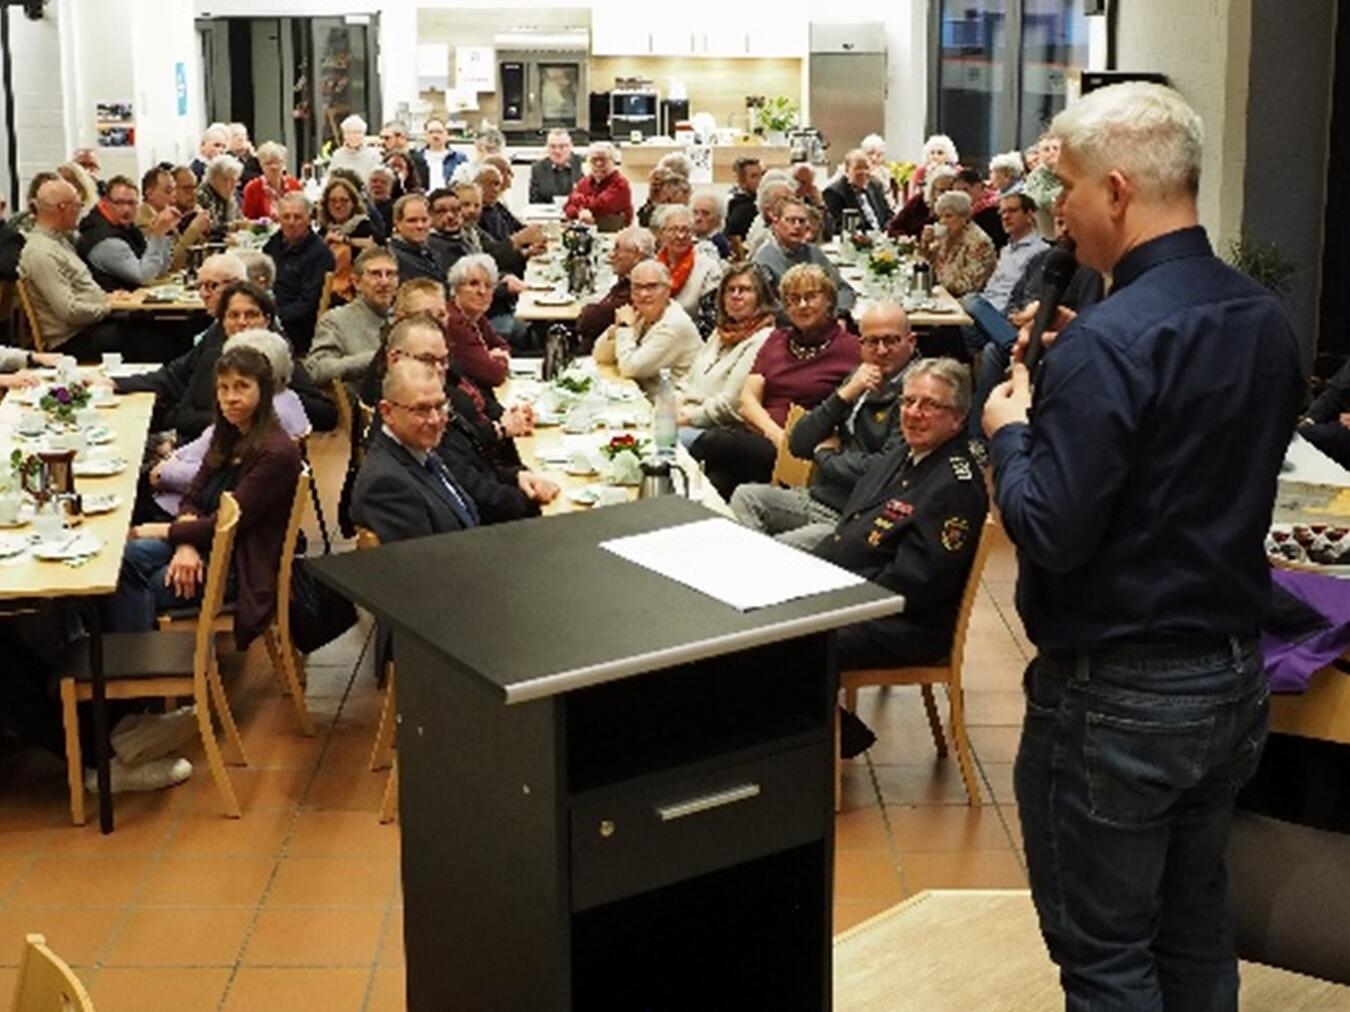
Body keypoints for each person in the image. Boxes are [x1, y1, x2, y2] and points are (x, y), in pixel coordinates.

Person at [981, 82, 1305, 1010]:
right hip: (1230, 678)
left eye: (1069, 189)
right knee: (1195, 927)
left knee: (1107, 955)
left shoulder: (1108, 346)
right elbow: (1194, 461)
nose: (1061, 216)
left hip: (1119, 696)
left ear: (1117, 190)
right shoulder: (1263, 320)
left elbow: (1048, 528)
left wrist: (1013, 427)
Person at [818, 357, 988, 756]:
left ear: (958, 419)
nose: (913, 413)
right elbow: (854, 525)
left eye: (930, 405)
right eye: (908, 401)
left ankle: (830, 744)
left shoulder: (955, 485)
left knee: (790, 644)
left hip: (902, 626)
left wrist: (835, 601)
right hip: (861, 597)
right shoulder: (905, 453)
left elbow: (916, 583)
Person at [110, 343, 303, 652]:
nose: (230, 397)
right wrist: (186, 545)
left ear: (264, 392)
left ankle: (145, 679)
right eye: (223, 388)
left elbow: (228, 525)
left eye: (242, 387)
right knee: (120, 561)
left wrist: (159, 531)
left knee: (134, 581)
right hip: (208, 543)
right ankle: (130, 668)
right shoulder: (227, 434)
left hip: (240, 566)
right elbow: (192, 495)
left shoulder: (276, 453)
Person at [731, 300, 915, 549]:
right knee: (745, 496)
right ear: (861, 345)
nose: (881, 350)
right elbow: (797, 443)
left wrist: (824, 455)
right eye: (872, 342)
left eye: (891, 341)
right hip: (820, 497)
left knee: (775, 549)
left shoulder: (915, 398)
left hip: (855, 517)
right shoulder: (860, 379)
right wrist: (843, 395)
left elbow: (880, 471)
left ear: (911, 342)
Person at [691, 264, 860, 499]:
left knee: (715, 442)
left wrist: (795, 445)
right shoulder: (777, 340)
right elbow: (748, 401)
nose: (801, 305)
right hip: (765, 439)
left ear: (829, 300)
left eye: (810, 297)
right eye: (793, 299)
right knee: (717, 482)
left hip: (807, 453)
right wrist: (781, 439)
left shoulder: (851, 349)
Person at [113, 275, 336, 441]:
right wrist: (116, 383)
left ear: (267, 320)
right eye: (233, 315)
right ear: (222, 321)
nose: (241, 322)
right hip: (197, 444)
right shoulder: (215, 346)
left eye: (251, 315)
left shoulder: (277, 354)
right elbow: (177, 387)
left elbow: (327, 414)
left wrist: (265, 401)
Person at [144, 328, 312, 522]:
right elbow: (204, 462)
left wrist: (164, 472)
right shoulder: (283, 400)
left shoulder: (266, 423)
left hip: (193, 511)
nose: (231, 397)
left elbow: (222, 487)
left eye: (242, 383)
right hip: (189, 505)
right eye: (224, 386)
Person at [351, 358, 481, 542]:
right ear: (387, 412)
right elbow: (422, 565)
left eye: (440, 406)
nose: (435, 420)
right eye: (422, 409)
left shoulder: (418, 449)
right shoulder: (386, 485)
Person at [17, 179, 136, 359]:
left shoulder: (59, 241)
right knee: (159, 339)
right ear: (62, 208)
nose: (81, 211)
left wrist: (106, 298)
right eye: (78, 205)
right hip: (72, 341)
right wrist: (107, 306)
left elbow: (78, 291)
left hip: (89, 328)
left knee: (157, 324)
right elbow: (69, 312)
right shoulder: (41, 252)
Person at [960, 192, 1049, 433]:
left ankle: (975, 433)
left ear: (1029, 215)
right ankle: (1008, 344)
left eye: (1011, 211)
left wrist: (1013, 317)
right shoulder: (1006, 250)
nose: (1004, 216)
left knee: (970, 301)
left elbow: (1024, 297)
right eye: (1002, 212)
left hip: (1006, 318)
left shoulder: (1039, 252)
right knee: (955, 328)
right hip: (990, 320)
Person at [676, 265, 776, 448]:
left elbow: (731, 405)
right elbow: (688, 379)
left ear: (760, 297)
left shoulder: (763, 338)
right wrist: (672, 406)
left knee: (655, 442)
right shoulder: (722, 331)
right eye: (730, 290)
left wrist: (685, 418)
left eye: (744, 290)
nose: (736, 296)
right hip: (686, 415)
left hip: (717, 430)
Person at [593, 260, 702, 396]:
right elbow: (599, 355)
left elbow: (630, 368)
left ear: (668, 289)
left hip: (671, 407)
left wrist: (625, 327)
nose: (644, 294)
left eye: (652, 287)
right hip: (642, 395)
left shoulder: (674, 325)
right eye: (637, 287)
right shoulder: (641, 314)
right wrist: (616, 328)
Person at [305, 246, 398, 387]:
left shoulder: (405, 318)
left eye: (390, 274)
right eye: (375, 274)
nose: (385, 282)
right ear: (357, 283)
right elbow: (316, 370)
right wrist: (374, 359)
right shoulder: (336, 320)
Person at [752, 196, 856, 315]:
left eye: (801, 221)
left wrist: (837, 314)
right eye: (791, 220)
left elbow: (843, 289)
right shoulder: (763, 260)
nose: (797, 226)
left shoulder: (813, 252)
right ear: (776, 223)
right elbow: (769, 307)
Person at [260, 193, 335, 355]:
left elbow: (308, 305)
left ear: (309, 219)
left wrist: (272, 319)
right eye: (286, 217)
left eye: (297, 217)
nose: (291, 222)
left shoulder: (319, 253)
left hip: (295, 329)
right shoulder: (274, 243)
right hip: (268, 316)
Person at [75, 174, 178, 290]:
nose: (126, 209)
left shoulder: (127, 228)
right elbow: (144, 277)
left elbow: (159, 270)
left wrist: (165, 232)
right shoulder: (105, 240)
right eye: (119, 203)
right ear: (106, 203)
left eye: (131, 203)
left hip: (133, 301)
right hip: (117, 306)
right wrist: (157, 236)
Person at [576, 225, 654, 352]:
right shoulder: (626, 280)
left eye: (618, 250)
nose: (612, 255)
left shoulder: (642, 287)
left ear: (637, 256)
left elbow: (589, 319)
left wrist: (587, 311)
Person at [443, 253, 513, 392]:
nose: (482, 291)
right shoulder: (455, 322)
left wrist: (493, 357)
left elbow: (502, 345)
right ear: (456, 288)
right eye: (473, 284)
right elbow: (494, 375)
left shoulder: (475, 315)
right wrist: (496, 359)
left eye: (488, 286)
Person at [652, 203, 723, 333]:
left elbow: (711, 320)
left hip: (688, 336)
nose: (680, 236)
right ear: (661, 233)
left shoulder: (708, 268)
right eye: (673, 230)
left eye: (686, 230)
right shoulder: (652, 267)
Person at [918, 191, 996, 297]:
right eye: (940, 217)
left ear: (965, 217)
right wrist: (925, 243)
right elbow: (925, 262)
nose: (943, 221)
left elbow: (969, 285)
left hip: (964, 303)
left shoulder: (979, 243)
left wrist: (937, 286)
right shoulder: (946, 237)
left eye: (948, 216)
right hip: (942, 297)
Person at [137, 165, 211, 274]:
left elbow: (191, 258)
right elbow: (171, 265)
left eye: (174, 190)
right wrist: (193, 229)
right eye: (168, 191)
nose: (174, 196)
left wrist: (202, 230)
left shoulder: (166, 214)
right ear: (150, 194)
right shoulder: (143, 221)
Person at [317, 174, 378, 305]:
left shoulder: (364, 226)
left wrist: (344, 240)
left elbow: (373, 247)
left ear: (353, 203)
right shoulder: (323, 230)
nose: (338, 205)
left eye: (343, 200)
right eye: (332, 201)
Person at [823, 149, 893, 239]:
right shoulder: (834, 192)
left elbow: (889, 215)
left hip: (883, 240)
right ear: (847, 171)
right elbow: (839, 227)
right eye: (858, 168)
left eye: (866, 167)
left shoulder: (875, 185)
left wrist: (887, 232)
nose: (863, 172)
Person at [564, 142, 633, 229]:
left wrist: (576, 198)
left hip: (614, 233)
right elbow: (567, 208)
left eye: (603, 160)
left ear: (613, 161)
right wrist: (579, 213)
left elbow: (600, 206)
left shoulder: (621, 184)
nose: (598, 164)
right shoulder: (584, 182)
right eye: (594, 160)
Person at [387, 193, 449, 283]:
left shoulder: (437, 252)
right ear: (397, 223)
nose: (420, 226)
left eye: (424, 220)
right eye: (412, 221)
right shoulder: (391, 257)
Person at [888, 164, 956, 239]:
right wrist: (908, 240)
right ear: (933, 191)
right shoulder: (918, 201)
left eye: (950, 190)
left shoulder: (959, 210)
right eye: (941, 191)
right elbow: (894, 227)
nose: (946, 194)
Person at [240, 141, 301, 220]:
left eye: (277, 162)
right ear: (261, 165)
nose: (274, 167)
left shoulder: (294, 184)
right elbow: (247, 220)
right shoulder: (252, 188)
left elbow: (301, 213)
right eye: (268, 163)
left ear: (284, 164)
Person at [953, 167, 1007, 249]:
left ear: (978, 187)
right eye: (957, 191)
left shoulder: (993, 210)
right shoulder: (966, 211)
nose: (961, 195)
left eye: (965, 190)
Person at [529, 129, 585, 204]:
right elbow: (534, 201)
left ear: (571, 147)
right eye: (552, 147)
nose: (557, 151)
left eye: (562, 146)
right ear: (547, 148)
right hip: (547, 214)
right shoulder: (538, 168)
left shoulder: (583, 165)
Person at [196, 154, 244, 238]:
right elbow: (210, 229)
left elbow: (239, 219)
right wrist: (235, 226)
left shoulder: (230, 196)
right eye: (225, 180)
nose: (229, 185)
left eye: (234, 180)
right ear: (212, 177)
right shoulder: (202, 195)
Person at [328, 114, 383, 183]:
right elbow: (330, 179)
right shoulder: (337, 155)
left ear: (363, 134)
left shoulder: (374, 155)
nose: (353, 136)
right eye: (348, 132)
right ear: (344, 135)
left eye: (357, 132)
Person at [379, 120, 429, 193]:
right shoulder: (383, 159)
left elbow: (421, 186)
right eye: (381, 138)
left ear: (401, 138)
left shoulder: (417, 160)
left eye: (387, 138)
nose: (382, 142)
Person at [419, 116, 468, 188]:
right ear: (425, 135)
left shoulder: (459, 159)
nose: (435, 135)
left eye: (439, 132)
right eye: (431, 132)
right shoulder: (417, 158)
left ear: (446, 134)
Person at [725, 157, 764, 242]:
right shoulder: (744, 210)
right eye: (754, 176)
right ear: (741, 181)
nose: (761, 180)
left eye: (762, 174)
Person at [691, 192, 731, 260]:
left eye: (705, 214)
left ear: (718, 218)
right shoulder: (688, 239)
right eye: (695, 212)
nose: (698, 218)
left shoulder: (720, 244)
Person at [228, 122, 263, 190]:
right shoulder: (226, 158)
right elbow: (242, 177)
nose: (240, 139)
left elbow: (268, 175)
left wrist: (255, 155)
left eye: (243, 135)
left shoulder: (254, 159)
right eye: (235, 135)